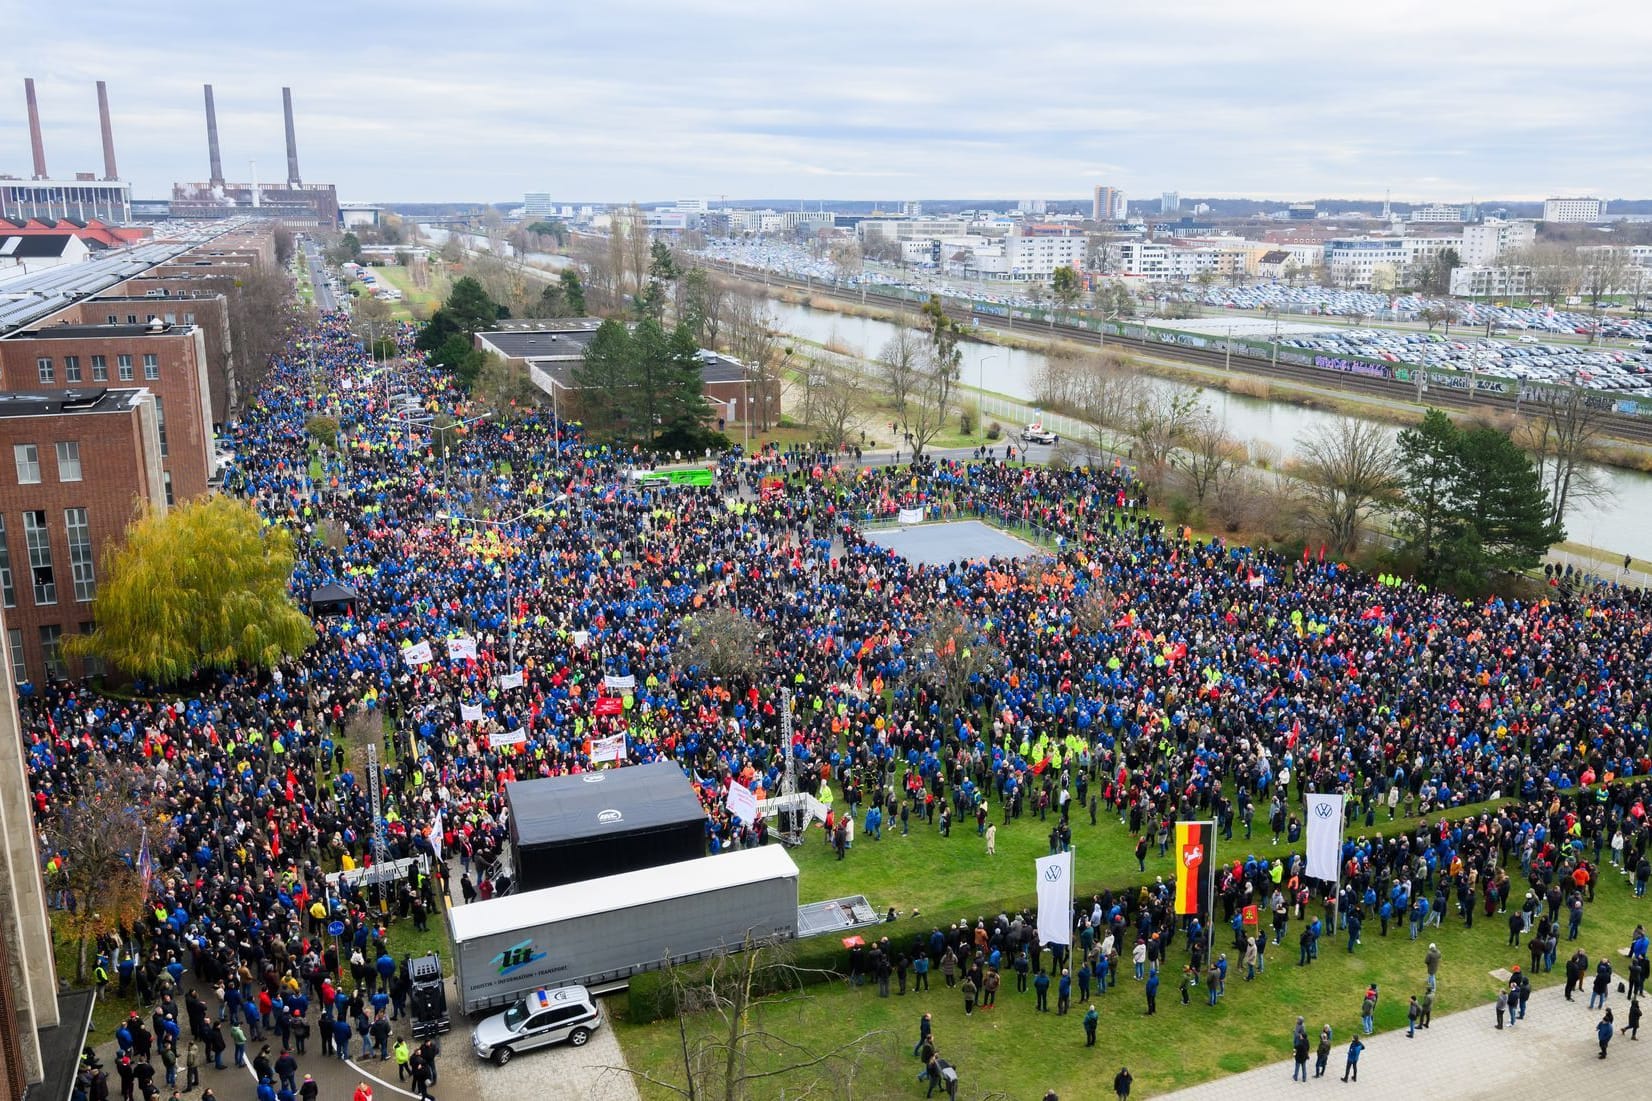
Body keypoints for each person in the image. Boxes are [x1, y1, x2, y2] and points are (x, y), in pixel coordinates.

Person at [1291, 1018, 1309, 1082]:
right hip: (1304, 1057)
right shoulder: (1306, 1042)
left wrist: (1294, 1055)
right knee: (1304, 1068)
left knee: (1297, 1067)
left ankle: (1295, 1077)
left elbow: (1295, 1049)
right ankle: (1304, 1078)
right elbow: (1307, 1048)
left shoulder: (1299, 1045)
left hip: (1299, 1058)